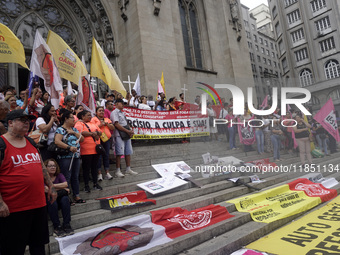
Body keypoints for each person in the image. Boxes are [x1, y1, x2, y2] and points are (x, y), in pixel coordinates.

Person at [0, 109, 57, 254]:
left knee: (38, 246)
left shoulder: (31, 141)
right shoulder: (2, 144)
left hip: (38, 204)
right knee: (13, 249)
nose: (27, 122)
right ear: (10, 123)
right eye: (22, 120)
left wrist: (51, 186)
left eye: (28, 120)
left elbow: (41, 165)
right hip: (14, 208)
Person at [55, 111, 85, 203]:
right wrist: (69, 147)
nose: (73, 119)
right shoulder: (60, 130)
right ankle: (66, 197)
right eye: (72, 117)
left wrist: (73, 132)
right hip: (66, 156)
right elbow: (57, 141)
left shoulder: (74, 129)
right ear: (66, 119)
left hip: (75, 156)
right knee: (66, 176)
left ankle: (76, 195)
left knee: (75, 176)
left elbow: (82, 139)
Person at [44, 159, 74, 237]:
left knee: (65, 199)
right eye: (50, 166)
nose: (53, 167)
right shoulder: (43, 177)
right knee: (52, 200)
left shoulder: (59, 175)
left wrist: (51, 186)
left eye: (54, 166)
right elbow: (45, 189)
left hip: (60, 199)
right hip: (49, 201)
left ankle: (66, 224)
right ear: (45, 167)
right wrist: (62, 188)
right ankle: (57, 226)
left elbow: (65, 184)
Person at [75, 110, 103, 192]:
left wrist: (97, 133)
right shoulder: (79, 123)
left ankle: (95, 183)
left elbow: (100, 132)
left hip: (96, 149)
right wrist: (92, 134)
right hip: (86, 150)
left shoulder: (93, 123)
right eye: (88, 115)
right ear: (83, 116)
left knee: (95, 167)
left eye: (90, 115)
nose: (90, 117)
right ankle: (86, 185)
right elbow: (81, 132)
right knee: (86, 168)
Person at [111, 99, 137, 178]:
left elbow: (126, 123)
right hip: (119, 134)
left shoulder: (122, 113)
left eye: (123, 103)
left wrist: (130, 131)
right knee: (119, 152)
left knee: (128, 152)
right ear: (116, 103)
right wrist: (127, 131)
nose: (123, 105)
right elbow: (116, 124)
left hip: (126, 134)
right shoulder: (114, 112)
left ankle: (128, 169)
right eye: (121, 103)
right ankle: (118, 170)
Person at [92, 106, 115, 181]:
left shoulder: (107, 119)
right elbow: (92, 128)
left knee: (106, 155)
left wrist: (107, 124)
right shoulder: (94, 119)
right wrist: (101, 125)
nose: (101, 112)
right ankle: (99, 174)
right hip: (98, 140)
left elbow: (112, 127)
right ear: (96, 112)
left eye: (102, 111)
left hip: (107, 140)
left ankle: (107, 173)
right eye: (99, 111)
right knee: (99, 157)